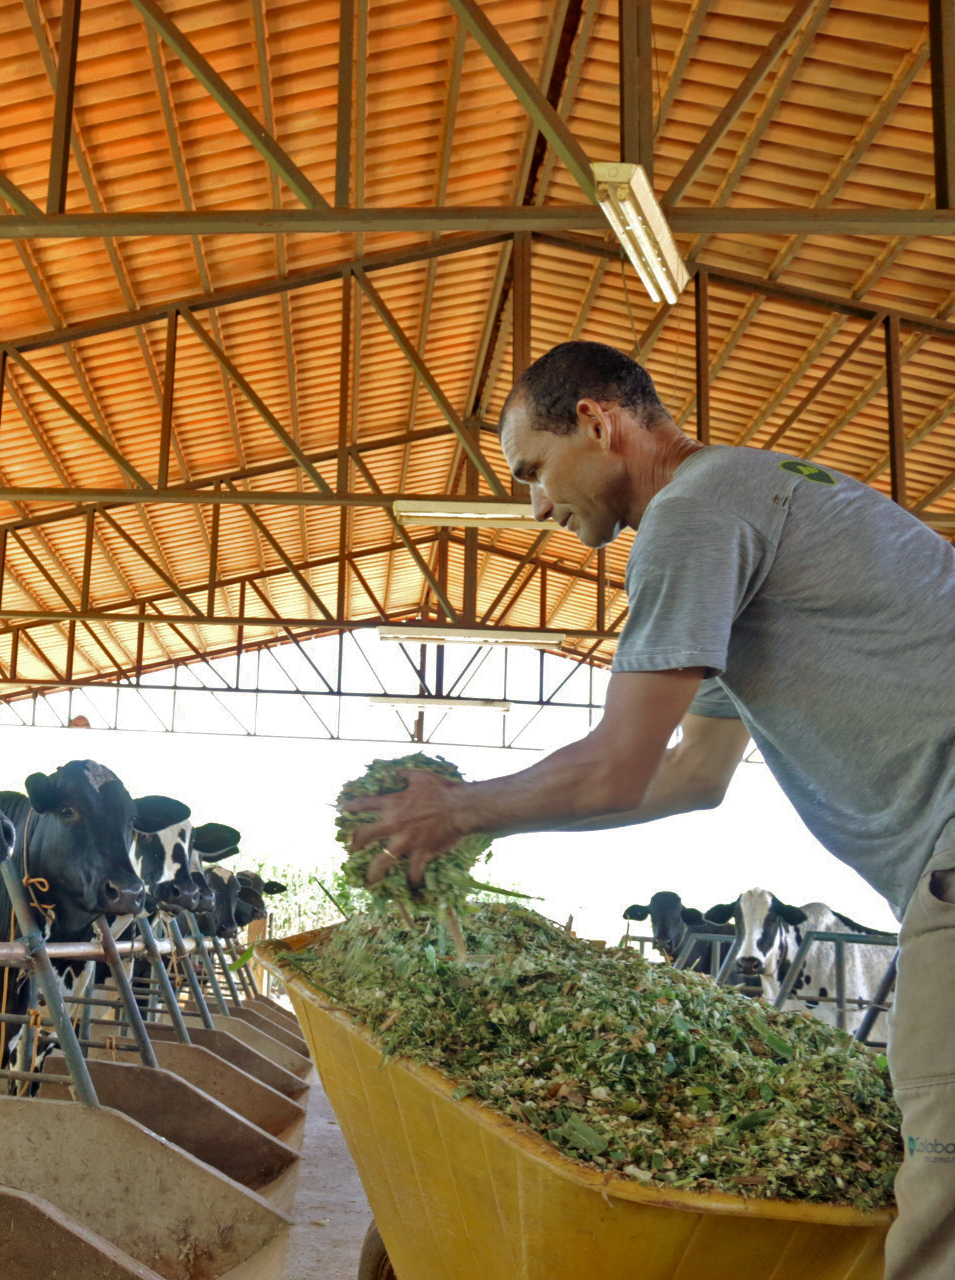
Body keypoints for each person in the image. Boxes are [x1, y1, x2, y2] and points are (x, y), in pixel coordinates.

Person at [343, 340, 955, 1278]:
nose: (539, 506)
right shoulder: (756, 507)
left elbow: (617, 765)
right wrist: (481, 811)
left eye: (536, 471)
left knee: (942, 1204)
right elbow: (690, 775)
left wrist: (454, 812)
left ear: (598, 421)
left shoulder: (692, 514)